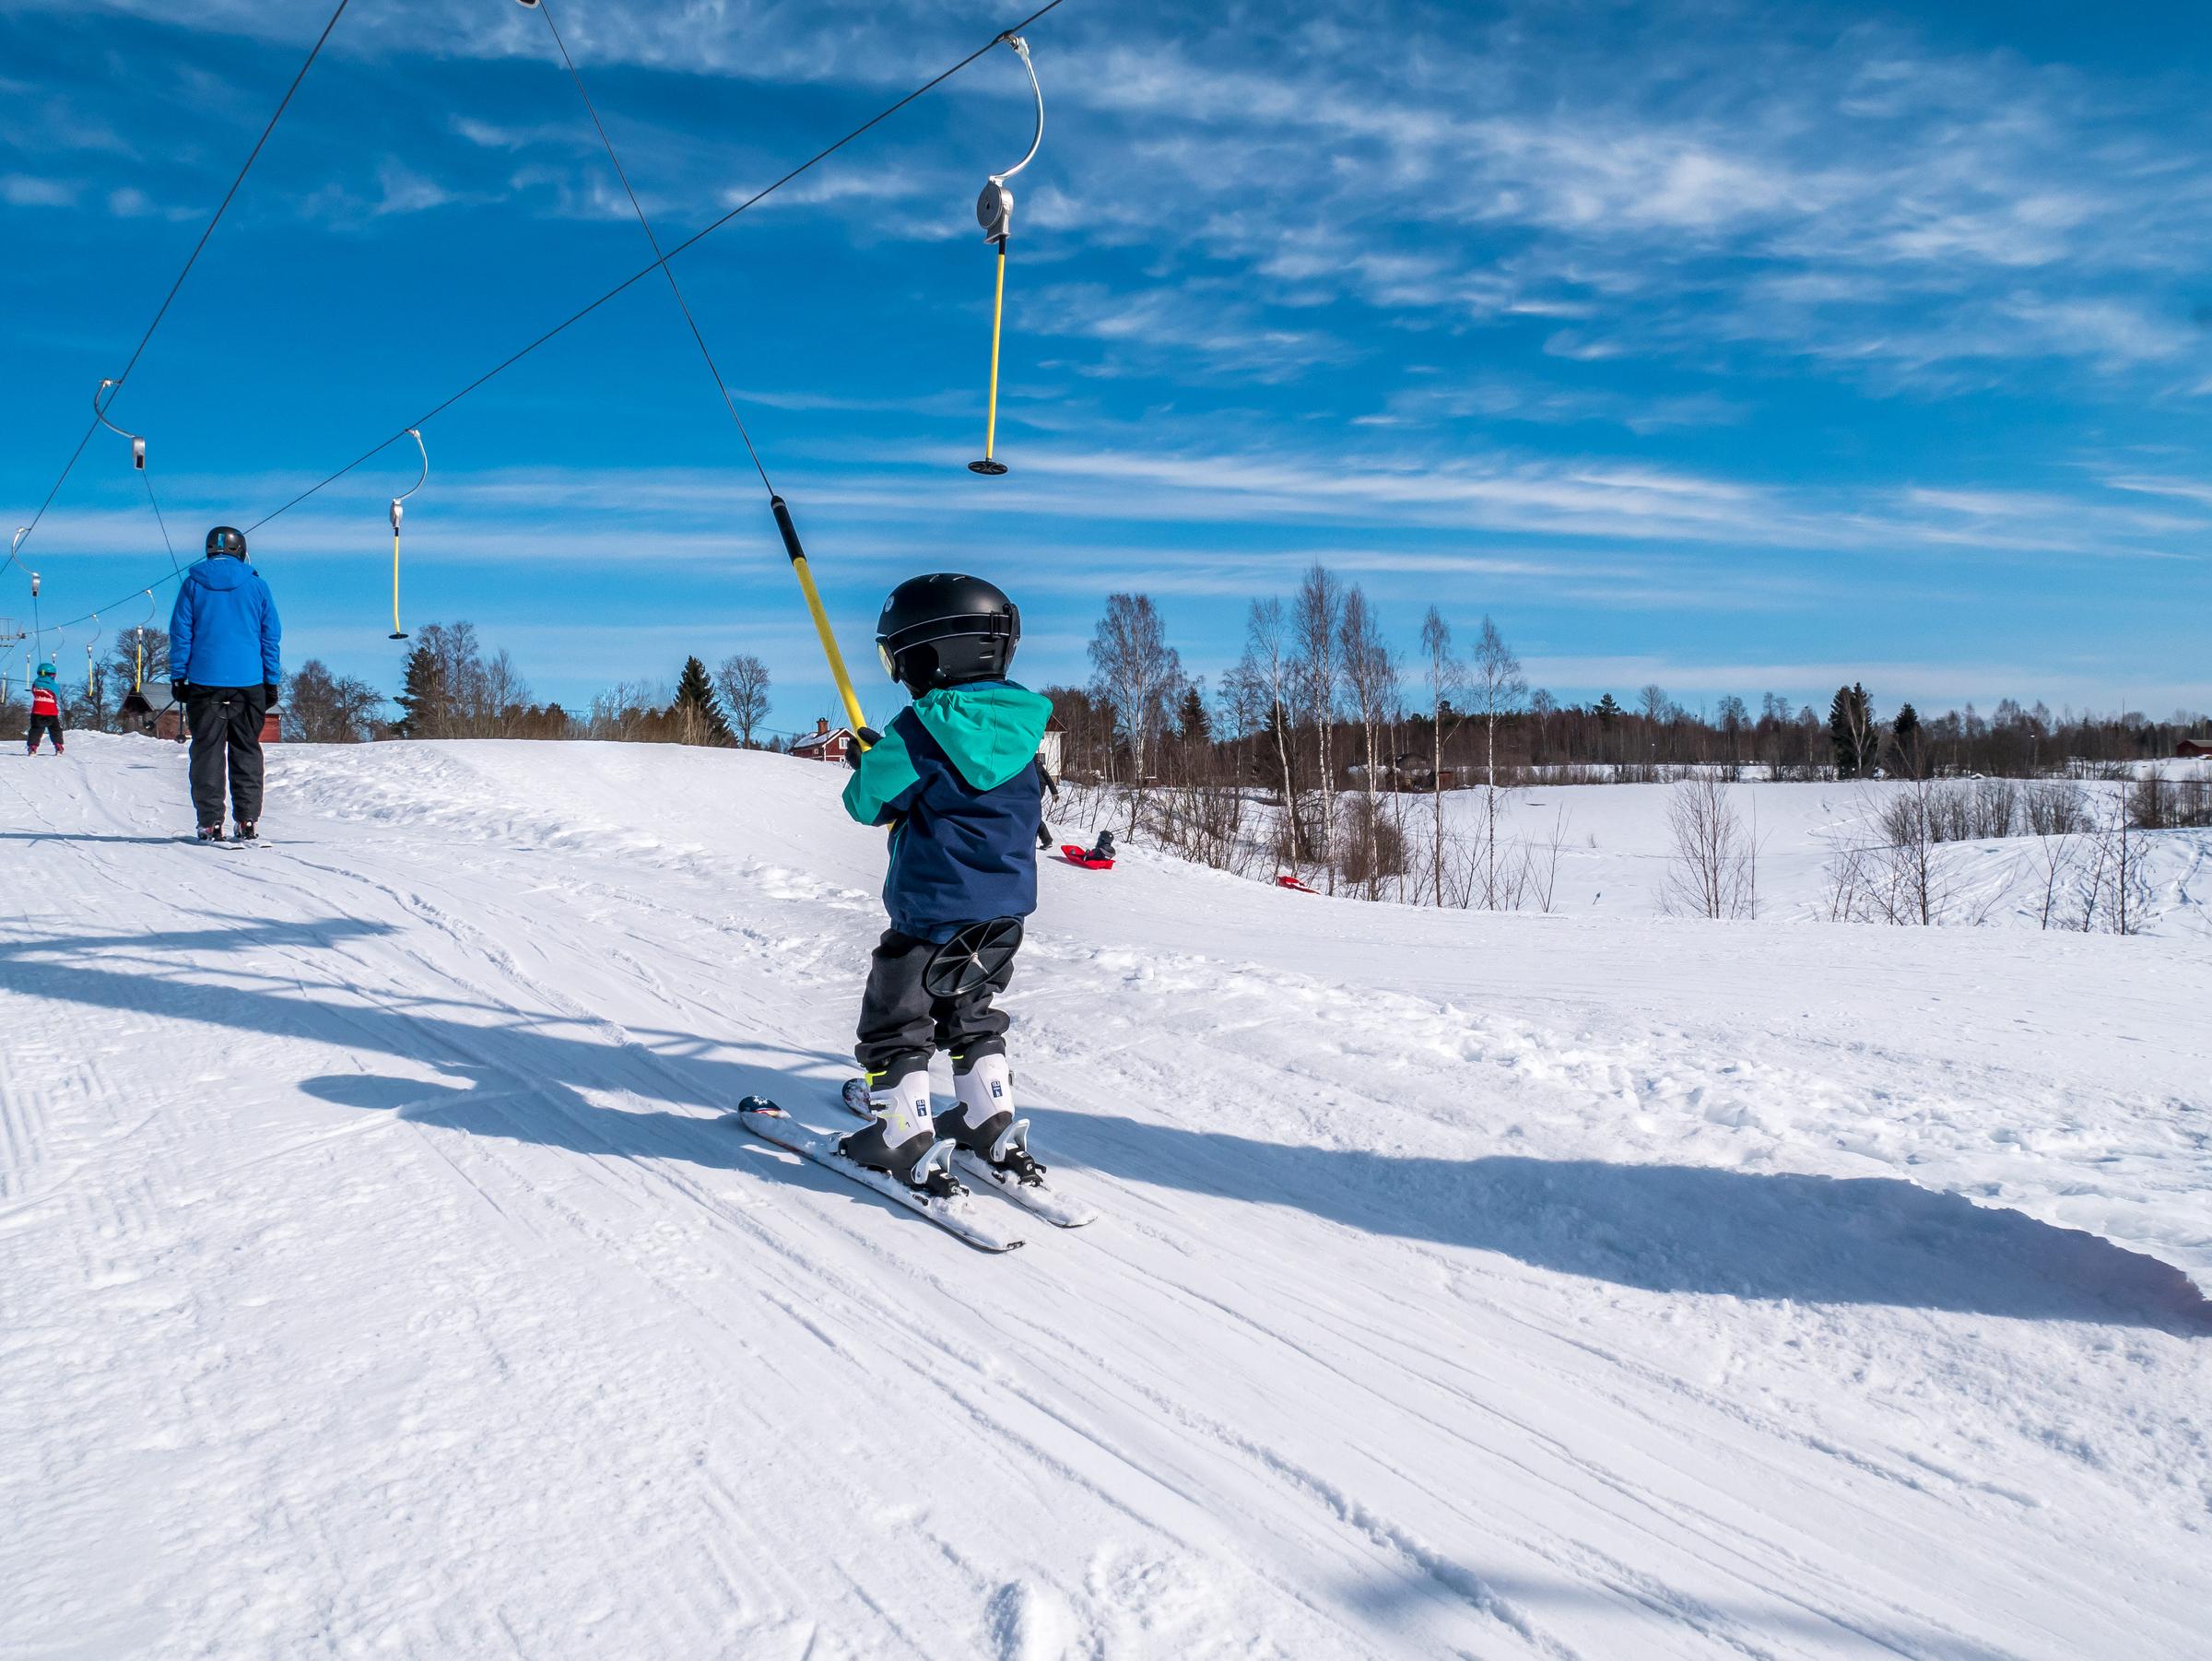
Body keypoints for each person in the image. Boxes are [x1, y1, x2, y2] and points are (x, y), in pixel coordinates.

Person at [840, 572, 1052, 1191]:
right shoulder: (1022, 730)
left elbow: (867, 805)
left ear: (928, 656)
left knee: (896, 1020)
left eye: (897, 657)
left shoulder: (920, 728)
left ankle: (902, 1137)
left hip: (929, 915)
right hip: (1000, 921)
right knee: (972, 1010)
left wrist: (873, 765)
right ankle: (989, 1120)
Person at [170, 525, 281, 843]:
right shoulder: (258, 586)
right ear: (241, 550)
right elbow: (270, 636)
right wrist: (270, 680)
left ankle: (209, 823)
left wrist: (179, 675)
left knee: (207, 750)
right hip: (249, 682)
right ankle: (247, 820)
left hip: (204, 682)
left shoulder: (192, 585)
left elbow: (181, 633)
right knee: (246, 748)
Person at [25, 660, 65, 755]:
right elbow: (56, 695)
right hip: (51, 712)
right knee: (55, 729)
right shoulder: (53, 685)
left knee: (36, 729)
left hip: (37, 712)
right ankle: (58, 745)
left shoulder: (35, 683)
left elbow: (34, 692)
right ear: (52, 675)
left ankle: (32, 747)